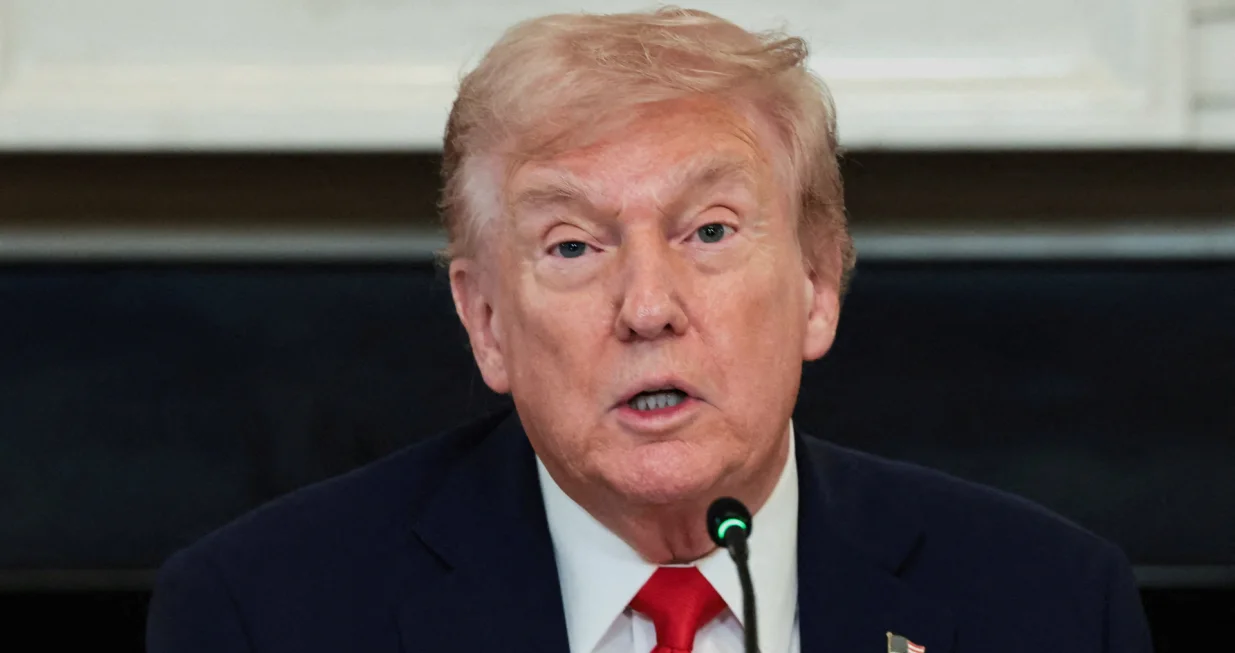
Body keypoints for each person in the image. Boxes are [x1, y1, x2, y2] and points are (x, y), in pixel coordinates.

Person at [146, 7, 1153, 653]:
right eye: (574, 246)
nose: (646, 306)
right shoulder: (264, 614)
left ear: (815, 281)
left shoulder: (1047, 605)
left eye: (707, 230)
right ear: (485, 319)